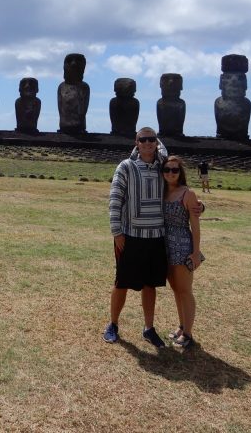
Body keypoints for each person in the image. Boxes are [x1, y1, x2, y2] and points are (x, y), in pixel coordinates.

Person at [103, 127, 169, 348]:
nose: (148, 143)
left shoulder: (163, 167)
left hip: (156, 235)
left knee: (150, 284)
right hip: (130, 235)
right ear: (137, 142)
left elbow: (179, 188)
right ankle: (113, 324)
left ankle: (149, 328)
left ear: (157, 142)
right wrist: (117, 232)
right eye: (144, 139)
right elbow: (115, 200)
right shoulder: (126, 166)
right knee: (121, 282)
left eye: (152, 139)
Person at [162, 155, 204, 349]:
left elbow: (195, 227)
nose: (171, 173)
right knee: (176, 289)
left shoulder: (188, 193)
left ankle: (188, 333)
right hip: (165, 246)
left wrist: (196, 253)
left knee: (185, 291)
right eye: (167, 169)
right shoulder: (161, 191)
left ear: (181, 173)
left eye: (175, 170)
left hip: (182, 245)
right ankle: (181, 326)